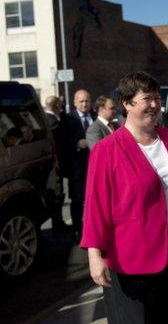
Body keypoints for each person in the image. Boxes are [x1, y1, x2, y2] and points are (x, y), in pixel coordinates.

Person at [80, 71, 168, 324]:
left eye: (157, 98)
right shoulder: (107, 150)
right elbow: (96, 205)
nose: (155, 104)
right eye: (147, 98)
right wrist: (94, 255)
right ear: (126, 103)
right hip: (130, 257)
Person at [60, 89, 96, 239]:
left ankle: (93, 230)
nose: (84, 104)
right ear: (75, 103)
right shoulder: (68, 119)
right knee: (78, 201)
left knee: (95, 200)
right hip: (78, 169)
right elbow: (61, 142)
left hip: (95, 167)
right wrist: (76, 143)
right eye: (81, 101)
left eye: (87, 101)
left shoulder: (95, 117)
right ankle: (78, 232)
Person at [43, 95, 67, 230]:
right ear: (57, 106)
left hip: (52, 163)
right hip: (54, 164)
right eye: (60, 106)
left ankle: (58, 222)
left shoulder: (45, 118)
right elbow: (60, 138)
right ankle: (57, 223)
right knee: (56, 195)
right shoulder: (52, 121)